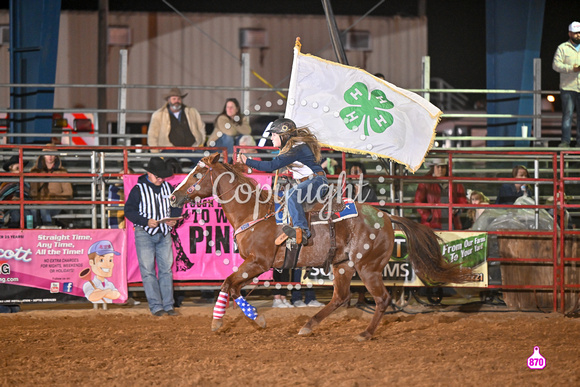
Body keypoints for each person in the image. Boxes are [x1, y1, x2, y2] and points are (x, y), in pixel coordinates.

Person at [237, 118, 328, 245]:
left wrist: (247, 161)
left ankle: (301, 230)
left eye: (274, 135)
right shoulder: (294, 148)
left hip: (318, 182)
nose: (272, 138)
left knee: (291, 194)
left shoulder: (295, 149)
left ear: (284, 136)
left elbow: (270, 166)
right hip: (314, 181)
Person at [124, 157, 184, 316]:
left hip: (164, 232)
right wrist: (145, 221)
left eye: (162, 176)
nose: (160, 179)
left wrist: (173, 218)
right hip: (144, 233)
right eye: (158, 176)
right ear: (148, 173)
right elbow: (129, 211)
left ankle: (168, 305)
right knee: (148, 271)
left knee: (166, 270)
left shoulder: (168, 188)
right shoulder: (138, 189)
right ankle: (157, 306)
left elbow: (177, 204)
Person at [414, 158, 468, 230]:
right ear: (433, 168)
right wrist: (429, 217)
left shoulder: (455, 182)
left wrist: (457, 209)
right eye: (438, 167)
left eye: (443, 167)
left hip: (451, 223)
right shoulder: (425, 182)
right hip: (433, 224)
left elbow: (462, 199)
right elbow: (418, 202)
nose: (440, 169)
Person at [147, 88, 206, 153]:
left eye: (179, 99)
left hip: (192, 148)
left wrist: (201, 143)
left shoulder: (192, 112)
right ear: (168, 100)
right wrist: (155, 153)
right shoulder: (158, 115)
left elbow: (201, 127)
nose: (177, 101)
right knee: (170, 162)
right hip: (169, 149)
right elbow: (152, 135)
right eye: (174, 99)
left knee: (202, 161)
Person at [552, 21, 580, 147]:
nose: (578, 35)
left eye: (579, 32)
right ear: (570, 33)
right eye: (575, 33)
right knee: (567, 116)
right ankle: (565, 141)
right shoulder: (562, 48)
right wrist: (571, 68)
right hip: (568, 87)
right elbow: (555, 65)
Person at [29, 149, 73, 226]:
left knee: (44, 209)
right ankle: (36, 230)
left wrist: (54, 197)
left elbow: (68, 192)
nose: (50, 156)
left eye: (52, 154)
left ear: (56, 157)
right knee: (33, 209)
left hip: (56, 203)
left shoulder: (62, 172)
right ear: (43, 156)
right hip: (40, 202)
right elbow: (33, 191)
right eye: (47, 154)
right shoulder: (35, 172)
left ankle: (48, 231)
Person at [0, 155, 35, 228]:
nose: (19, 171)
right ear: (10, 168)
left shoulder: (25, 181)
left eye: (21, 168)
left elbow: (28, 193)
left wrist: (18, 197)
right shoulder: (5, 182)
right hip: (8, 207)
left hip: (23, 205)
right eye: (17, 168)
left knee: (27, 213)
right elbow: (3, 195)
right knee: (15, 213)